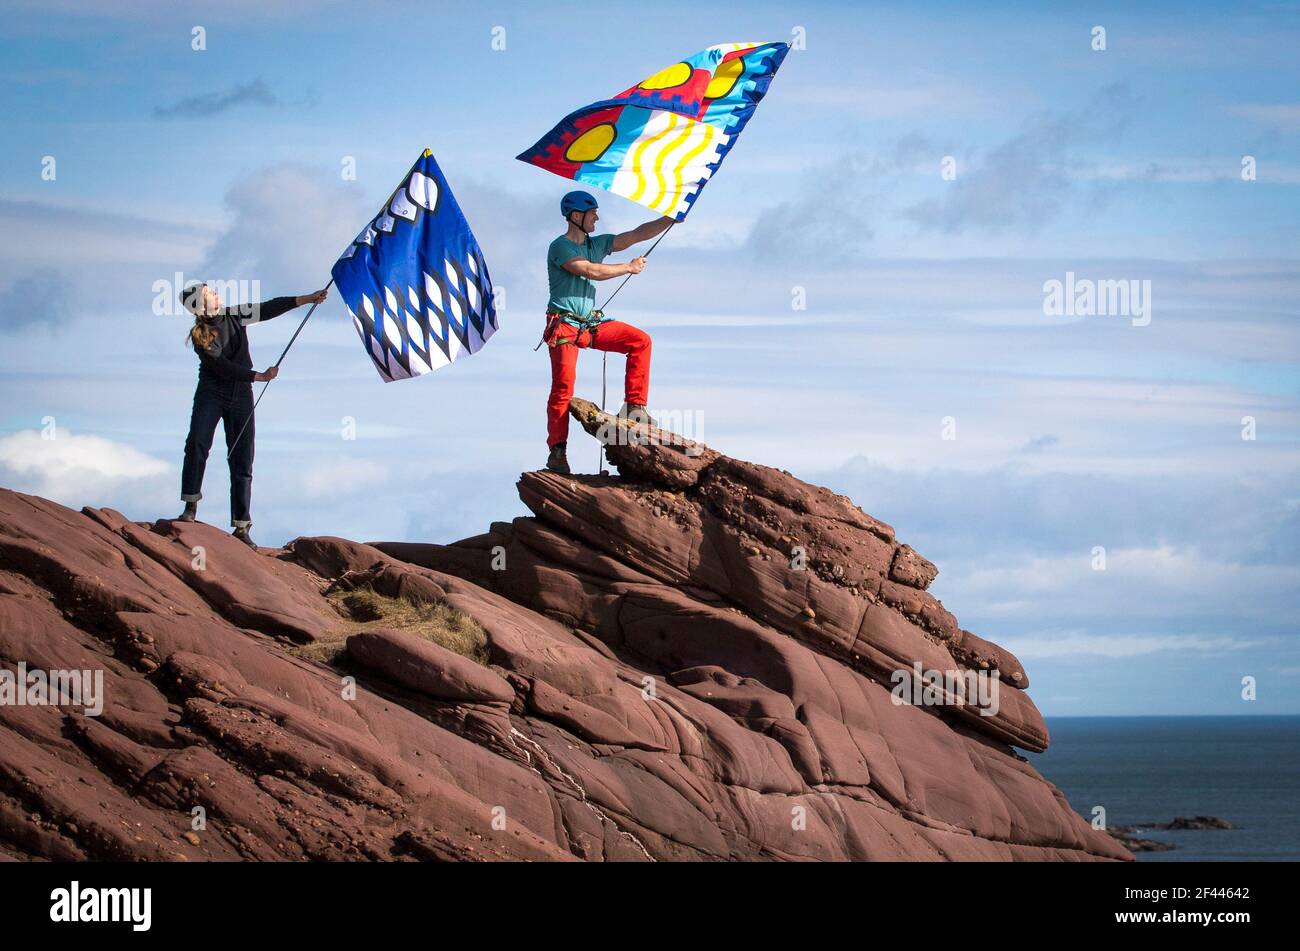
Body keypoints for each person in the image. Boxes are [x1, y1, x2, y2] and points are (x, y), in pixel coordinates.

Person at [176, 282, 328, 548]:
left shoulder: (236, 314)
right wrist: (258, 376)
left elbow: (269, 307)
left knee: (242, 459)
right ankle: (190, 506)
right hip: (212, 393)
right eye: (210, 293)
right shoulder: (200, 334)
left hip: (241, 396)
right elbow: (221, 366)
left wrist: (307, 299)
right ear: (200, 304)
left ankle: (242, 526)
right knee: (197, 444)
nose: (216, 294)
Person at [541, 190, 673, 474]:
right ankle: (557, 451)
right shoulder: (560, 247)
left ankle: (635, 407)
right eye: (593, 214)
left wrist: (669, 219)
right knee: (563, 388)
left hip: (588, 324)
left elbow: (636, 234)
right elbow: (588, 270)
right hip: (564, 326)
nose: (597, 218)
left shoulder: (596, 244)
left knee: (640, 342)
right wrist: (628, 267)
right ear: (576, 216)